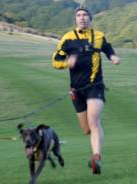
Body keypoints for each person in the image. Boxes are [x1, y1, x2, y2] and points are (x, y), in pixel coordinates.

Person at [51, 5, 120, 174]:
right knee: (87, 129)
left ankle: (97, 157)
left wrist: (113, 57)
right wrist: (67, 63)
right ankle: (96, 130)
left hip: (95, 86)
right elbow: (55, 61)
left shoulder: (98, 36)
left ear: (90, 18)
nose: (82, 18)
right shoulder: (67, 39)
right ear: (75, 19)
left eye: (85, 15)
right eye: (79, 15)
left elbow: (107, 48)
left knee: (93, 122)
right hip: (76, 90)